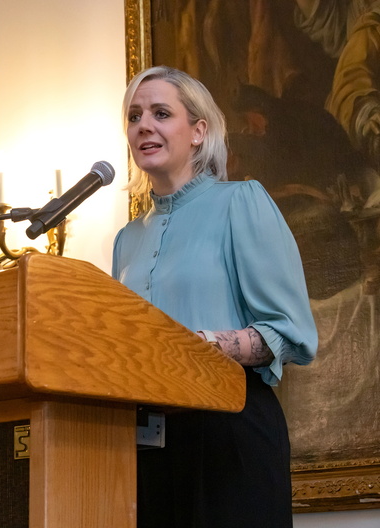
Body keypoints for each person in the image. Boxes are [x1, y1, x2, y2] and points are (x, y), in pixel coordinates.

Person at [112, 65, 318, 527]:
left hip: (229, 433)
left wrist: (204, 346)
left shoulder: (242, 202)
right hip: (144, 446)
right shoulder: (126, 239)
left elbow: (291, 333)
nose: (144, 125)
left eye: (161, 113)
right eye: (134, 116)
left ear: (198, 131)